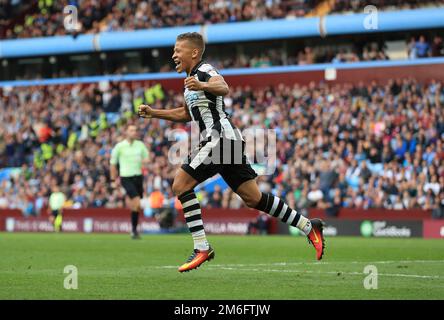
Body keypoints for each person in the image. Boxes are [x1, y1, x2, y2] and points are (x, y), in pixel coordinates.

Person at [138, 32, 325, 272]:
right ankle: (309, 226)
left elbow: (223, 86)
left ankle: (202, 247)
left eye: (178, 50)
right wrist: (154, 112)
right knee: (253, 199)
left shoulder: (204, 70)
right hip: (228, 141)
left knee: (180, 185)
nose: (174, 54)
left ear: (193, 52)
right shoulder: (189, 82)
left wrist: (203, 84)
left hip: (220, 138)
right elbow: (185, 114)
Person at [110, 124, 150, 239]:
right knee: (137, 202)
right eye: (131, 130)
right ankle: (134, 230)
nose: (134, 132)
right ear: (126, 132)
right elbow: (113, 163)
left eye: (135, 130)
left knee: (135, 206)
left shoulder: (140, 145)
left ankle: (133, 230)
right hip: (126, 177)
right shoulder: (120, 146)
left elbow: (147, 158)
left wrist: (145, 161)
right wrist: (113, 179)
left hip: (138, 177)